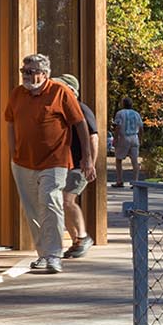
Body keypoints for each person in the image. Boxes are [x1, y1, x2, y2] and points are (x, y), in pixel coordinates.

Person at [4, 53, 90, 275]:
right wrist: (12, 151)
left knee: (50, 203)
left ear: (44, 74)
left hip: (55, 160)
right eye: (24, 71)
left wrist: (87, 157)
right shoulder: (16, 94)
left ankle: (54, 255)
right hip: (22, 162)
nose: (26, 75)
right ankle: (43, 254)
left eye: (30, 71)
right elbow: (10, 123)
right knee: (32, 209)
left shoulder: (60, 92)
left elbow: (80, 124)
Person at [56, 74, 99, 260]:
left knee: (67, 200)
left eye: (62, 87)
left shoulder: (81, 108)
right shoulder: (63, 111)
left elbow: (93, 136)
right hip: (65, 164)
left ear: (71, 90)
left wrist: (90, 162)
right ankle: (76, 241)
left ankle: (82, 237)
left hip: (79, 165)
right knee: (61, 202)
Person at [111, 98, 143, 188]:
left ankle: (119, 180)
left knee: (119, 159)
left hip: (124, 137)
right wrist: (140, 139)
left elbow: (117, 126)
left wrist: (115, 139)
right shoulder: (136, 114)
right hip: (134, 137)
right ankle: (135, 181)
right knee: (134, 160)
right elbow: (141, 128)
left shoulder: (120, 113)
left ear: (123, 104)